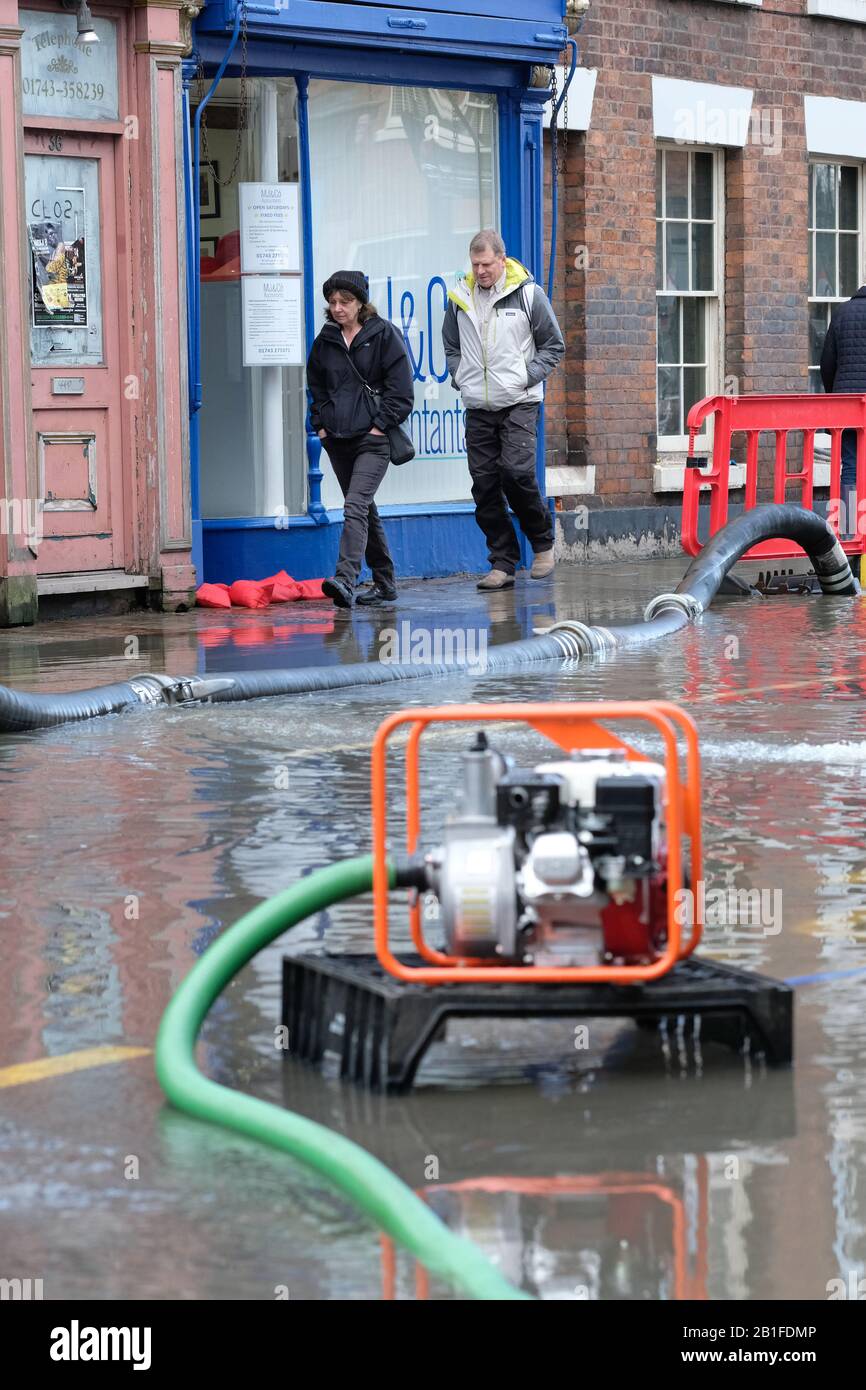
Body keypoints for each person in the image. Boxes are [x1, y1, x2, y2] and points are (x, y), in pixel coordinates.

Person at [442, 230, 565, 590]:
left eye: (486, 264)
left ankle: (542, 543)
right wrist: (459, 376)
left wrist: (525, 377)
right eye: (475, 264)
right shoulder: (459, 297)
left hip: (519, 402)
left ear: (502, 259)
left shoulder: (528, 295)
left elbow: (553, 346)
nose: (480, 271)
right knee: (484, 485)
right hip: (478, 404)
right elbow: (451, 345)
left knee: (515, 472)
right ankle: (502, 562)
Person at [306, 270, 413, 608]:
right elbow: (316, 386)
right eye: (333, 302)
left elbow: (402, 392)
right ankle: (385, 583)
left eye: (345, 301)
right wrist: (320, 425)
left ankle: (345, 579)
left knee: (354, 505)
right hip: (337, 439)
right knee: (364, 508)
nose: (338, 308)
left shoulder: (383, 335)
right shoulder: (326, 339)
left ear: (360, 303)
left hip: (373, 440)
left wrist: (379, 426)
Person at [820, 286, 866, 535]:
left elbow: (827, 362)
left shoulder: (842, 312)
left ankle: (850, 529)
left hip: (847, 405)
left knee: (850, 466)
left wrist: (835, 397)